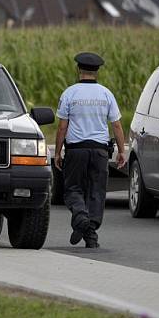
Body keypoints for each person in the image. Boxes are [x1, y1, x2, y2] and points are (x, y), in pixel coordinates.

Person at [54, 52, 126, 248]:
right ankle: (91, 232)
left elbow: (62, 126)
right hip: (100, 151)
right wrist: (122, 150)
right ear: (97, 72)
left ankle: (81, 218)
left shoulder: (70, 93)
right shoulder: (106, 94)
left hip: (76, 150)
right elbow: (117, 126)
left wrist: (57, 152)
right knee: (97, 191)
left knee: (73, 189)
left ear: (78, 69)